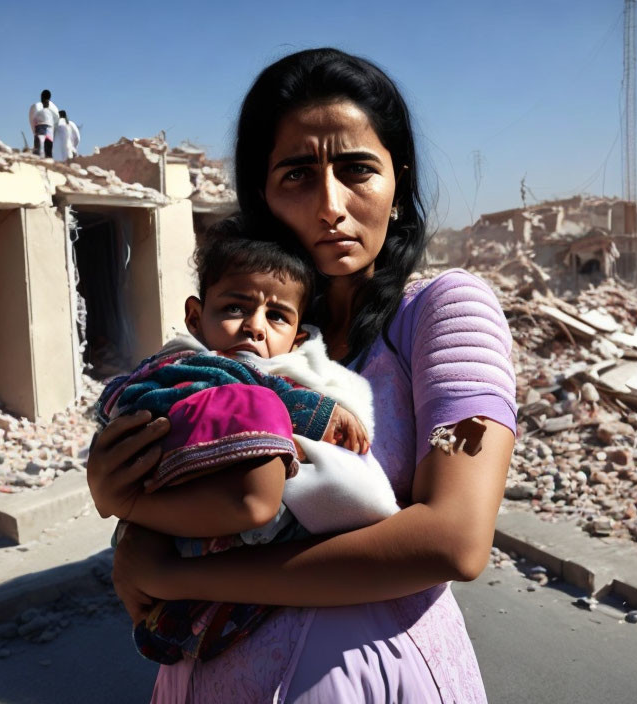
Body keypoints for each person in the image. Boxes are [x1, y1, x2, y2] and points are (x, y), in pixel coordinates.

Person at [87, 47, 517, 703]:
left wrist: (180, 578)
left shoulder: (442, 314)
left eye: (357, 171)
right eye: (296, 175)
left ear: (397, 183)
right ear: (262, 195)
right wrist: (121, 497)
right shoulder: (252, 337)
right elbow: (185, 466)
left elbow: (453, 539)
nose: (329, 205)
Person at [95, 230, 399, 664]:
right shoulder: (187, 362)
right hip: (196, 499)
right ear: (196, 318)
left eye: (276, 316)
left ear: (296, 339)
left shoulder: (296, 370)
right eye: (235, 307)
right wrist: (317, 413)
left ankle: (193, 623)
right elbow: (250, 387)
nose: (254, 326)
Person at [28, 89, 58, 158]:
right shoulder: (55, 109)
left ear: (41, 97)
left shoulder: (36, 106)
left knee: (39, 152)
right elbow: (57, 124)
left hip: (40, 131)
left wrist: (35, 133)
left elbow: (32, 121)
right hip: (51, 135)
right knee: (48, 153)